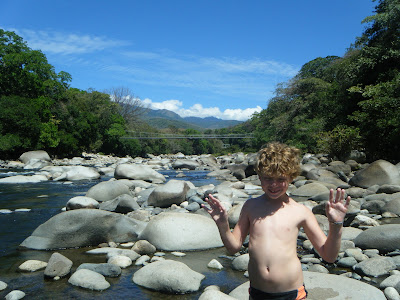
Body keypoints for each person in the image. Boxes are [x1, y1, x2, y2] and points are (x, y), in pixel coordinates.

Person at [203, 142, 351, 300]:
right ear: (259, 177)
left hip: (291, 294)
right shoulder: (251, 206)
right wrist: (223, 225)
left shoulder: (301, 211)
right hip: (257, 293)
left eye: (280, 179)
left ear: (291, 177)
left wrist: (336, 225)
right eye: (268, 178)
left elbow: (329, 256)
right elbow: (233, 247)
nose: (274, 185)